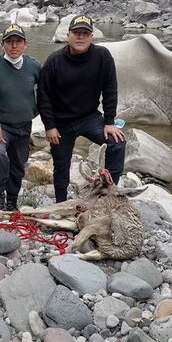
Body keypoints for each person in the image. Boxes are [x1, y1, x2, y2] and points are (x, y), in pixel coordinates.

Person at [37, 14, 126, 203]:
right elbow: (43, 96)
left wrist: (109, 121)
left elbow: (110, 89)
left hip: (89, 118)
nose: (80, 37)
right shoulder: (54, 61)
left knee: (116, 142)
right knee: (61, 166)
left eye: (85, 33)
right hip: (61, 123)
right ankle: (61, 202)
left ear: (92, 36)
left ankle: (109, 192)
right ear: (68, 35)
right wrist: (49, 126)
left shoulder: (102, 56)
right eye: (76, 33)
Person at [0, 24, 40, 214]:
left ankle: (12, 201)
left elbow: (46, 94)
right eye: (9, 42)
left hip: (24, 126)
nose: (14, 46)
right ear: (2, 44)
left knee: (18, 164)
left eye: (18, 41)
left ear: (25, 45)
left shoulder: (34, 67)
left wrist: (33, 112)